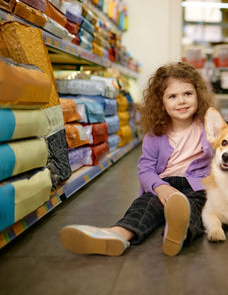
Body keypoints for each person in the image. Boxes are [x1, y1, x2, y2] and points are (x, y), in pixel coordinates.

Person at [60, 62, 216, 256]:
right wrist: (159, 187)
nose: (181, 101)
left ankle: (177, 233)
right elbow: (145, 170)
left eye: (188, 94)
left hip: (198, 187)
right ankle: (118, 234)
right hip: (163, 184)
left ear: (198, 95)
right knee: (145, 206)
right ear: (161, 103)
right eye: (172, 96)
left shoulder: (208, 126)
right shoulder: (155, 135)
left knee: (195, 209)